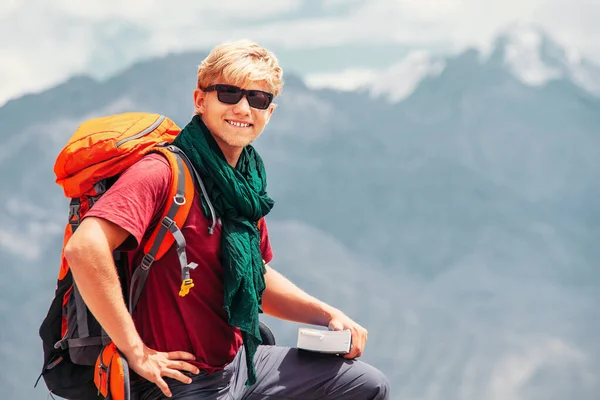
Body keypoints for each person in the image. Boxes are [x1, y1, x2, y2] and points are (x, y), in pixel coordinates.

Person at [63, 39, 390, 400]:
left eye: (258, 98)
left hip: (238, 366)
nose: (243, 107)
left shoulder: (242, 187)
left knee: (365, 386)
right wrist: (136, 351)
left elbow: (255, 279)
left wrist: (326, 315)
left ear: (270, 112)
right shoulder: (162, 172)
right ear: (200, 101)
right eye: (228, 93)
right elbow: (85, 248)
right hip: (175, 379)